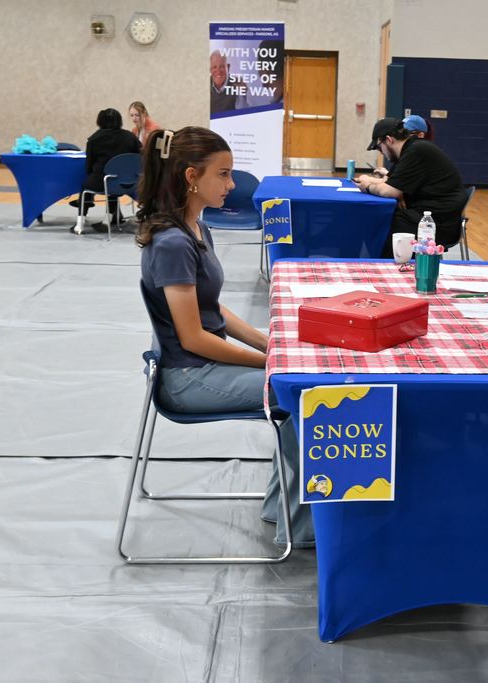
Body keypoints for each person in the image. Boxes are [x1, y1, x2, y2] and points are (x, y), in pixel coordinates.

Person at [135, 125, 312, 549]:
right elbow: (194, 338)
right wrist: (273, 363)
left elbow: (212, 309)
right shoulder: (173, 242)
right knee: (306, 393)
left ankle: (285, 510)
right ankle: (313, 524)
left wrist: (267, 342)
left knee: (298, 386)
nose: (232, 186)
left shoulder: (195, 227)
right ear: (191, 177)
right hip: (188, 377)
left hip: (202, 364)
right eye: (224, 174)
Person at [355, 117, 467, 258]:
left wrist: (367, 186)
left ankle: (388, 270)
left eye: (379, 147)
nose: (381, 152)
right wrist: (369, 181)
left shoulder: (416, 150)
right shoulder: (410, 149)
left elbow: (390, 191)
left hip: (436, 223)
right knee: (379, 218)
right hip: (427, 215)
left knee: (381, 224)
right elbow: (389, 181)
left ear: (389, 140)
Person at [71, 108, 141, 230]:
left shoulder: (94, 139)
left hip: (101, 181)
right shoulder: (130, 137)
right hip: (128, 182)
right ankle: (108, 219)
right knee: (113, 182)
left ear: (100, 121)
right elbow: (140, 157)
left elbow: (88, 166)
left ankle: (79, 224)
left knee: (86, 186)